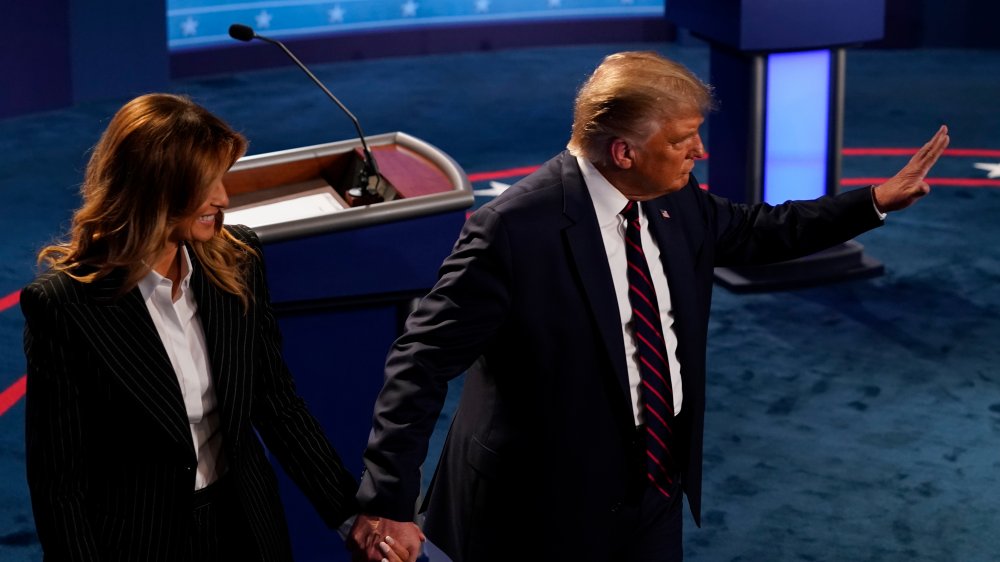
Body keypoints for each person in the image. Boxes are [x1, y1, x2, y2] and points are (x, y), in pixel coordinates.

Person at [347, 51, 950, 562]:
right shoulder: (513, 231)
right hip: (537, 509)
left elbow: (762, 229)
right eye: (682, 139)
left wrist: (873, 201)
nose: (699, 151)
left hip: (653, 490)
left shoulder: (676, 201)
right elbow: (420, 362)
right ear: (624, 152)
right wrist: (388, 503)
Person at [21, 93, 412, 562]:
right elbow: (59, 486)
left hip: (245, 528)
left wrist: (353, 517)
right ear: (154, 188)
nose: (223, 199)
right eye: (205, 185)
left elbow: (277, 403)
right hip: (137, 545)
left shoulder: (238, 261)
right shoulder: (64, 307)